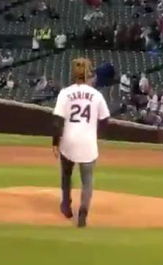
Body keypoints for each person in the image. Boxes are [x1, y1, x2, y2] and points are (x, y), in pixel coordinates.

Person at [52, 58, 111, 228]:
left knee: (66, 175)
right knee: (87, 180)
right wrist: (95, 132)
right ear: (89, 74)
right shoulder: (97, 95)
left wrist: (55, 142)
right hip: (88, 142)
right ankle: (83, 212)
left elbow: (57, 121)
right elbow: (105, 120)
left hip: (69, 141)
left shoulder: (65, 93)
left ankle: (66, 205)